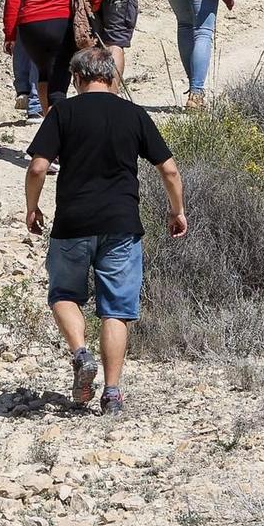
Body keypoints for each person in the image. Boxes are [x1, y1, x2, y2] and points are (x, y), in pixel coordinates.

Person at [24, 47, 186, 418]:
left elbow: (37, 168)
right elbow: (170, 171)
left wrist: (32, 208)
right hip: (121, 226)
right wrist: (177, 211)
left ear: (78, 79)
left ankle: (81, 353)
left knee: (64, 294)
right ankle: (112, 395)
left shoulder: (63, 112)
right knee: (116, 310)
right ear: (113, 77)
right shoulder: (134, 114)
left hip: (72, 224)